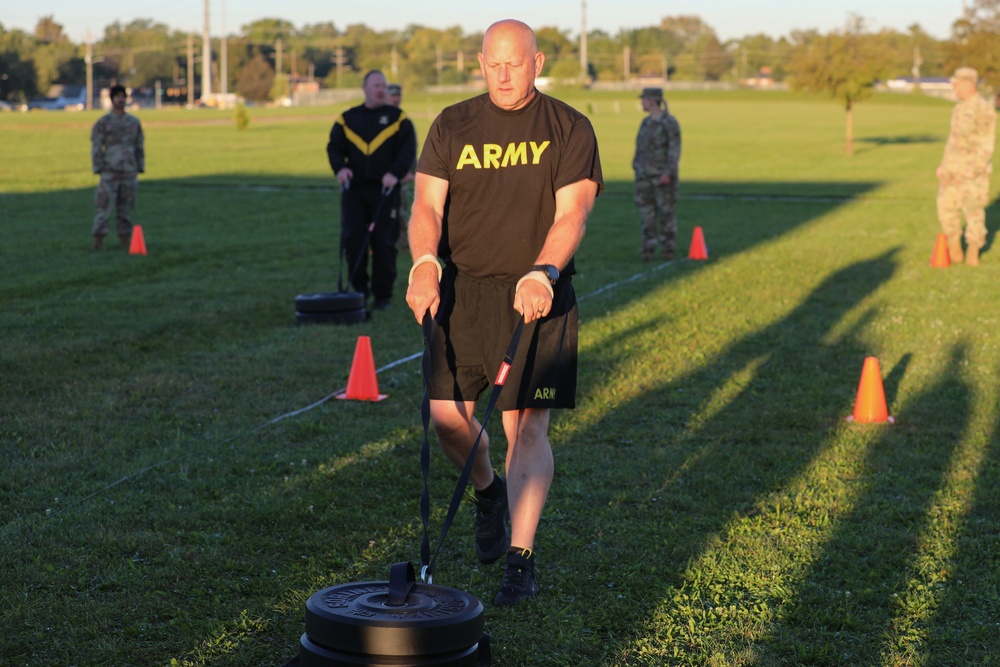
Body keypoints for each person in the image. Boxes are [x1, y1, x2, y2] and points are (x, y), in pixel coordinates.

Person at [405, 19, 603, 606]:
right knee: (448, 419)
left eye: (515, 63)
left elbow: (574, 213)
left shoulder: (569, 126)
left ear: (537, 63)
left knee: (526, 426)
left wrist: (544, 271)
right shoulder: (453, 124)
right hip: (464, 292)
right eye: (494, 63)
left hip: (536, 294)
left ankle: (521, 558)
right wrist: (422, 262)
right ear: (481, 62)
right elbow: (426, 205)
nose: (504, 74)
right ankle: (488, 491)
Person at [327, 71, 417, 309]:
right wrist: (340, 169)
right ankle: (359, 290)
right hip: (354, 192)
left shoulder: (398, 119)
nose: (381, 90)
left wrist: (394, 173)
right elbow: (334, 147)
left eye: (384, 86)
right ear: (364, 88)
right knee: (354, 240)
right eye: (376, 85)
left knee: (384, 243)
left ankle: (382, 296)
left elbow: (408, 151)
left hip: (385, 192)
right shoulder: (347, 119)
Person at [937, 67, 996, 266]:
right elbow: (952, 141)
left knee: (973, 212)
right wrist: (943, 166)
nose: (954, 87)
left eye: (957, 83)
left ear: (969, 84)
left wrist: (975, 169)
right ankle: (954, 246)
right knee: (946, 208)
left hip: (973, 172)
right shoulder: (958, 108)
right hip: (952, 170)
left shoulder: (984, 108)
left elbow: (987, 144)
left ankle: (973, 251)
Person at [91, 85, 144, 250]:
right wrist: (98, 166)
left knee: (125, 209)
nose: (120, 99)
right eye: (117, 96)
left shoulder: (133, 122)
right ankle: (98, 241)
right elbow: (97, 145)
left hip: (129, 171)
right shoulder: (104, 122)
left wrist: (139, 166)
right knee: (104, 208)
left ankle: (125, 241)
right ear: (112, 99)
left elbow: (139, 145)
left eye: (123, 96)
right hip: (110, 171)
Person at [632, 87, 681, 261]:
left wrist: (668, 173)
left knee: (666, 213)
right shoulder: (646, 123)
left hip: (662, 177)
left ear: (652, 100)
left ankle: (668, 248)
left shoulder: (668, 122)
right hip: (644, 177)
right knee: (647, 214)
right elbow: (640, 149)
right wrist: (637, 168)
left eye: (644, 99)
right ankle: (648, 249)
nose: (642, 103)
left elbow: (674, 150)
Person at [385, 83, 416, 252]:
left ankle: (406, 243)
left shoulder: (402, 121)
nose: (396, 98)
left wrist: (410, 172)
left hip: (398, 176)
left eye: (398, 95)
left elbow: (409, 150)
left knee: (400, 211)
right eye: (393, 95)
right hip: (379, 177)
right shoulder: (380, 118)